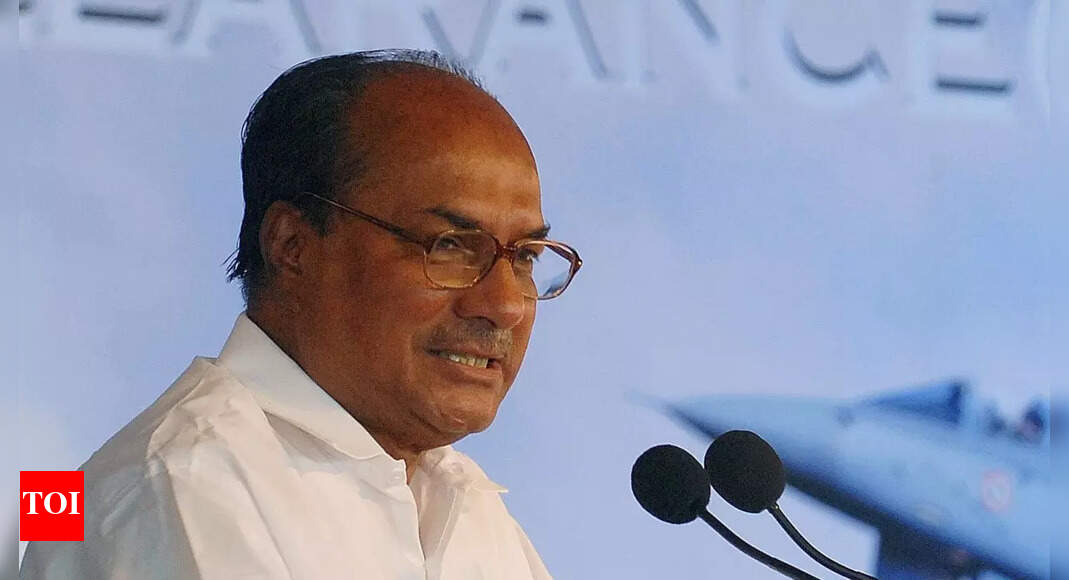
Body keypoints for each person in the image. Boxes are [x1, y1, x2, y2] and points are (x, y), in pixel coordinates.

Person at [21, 49, 582, 579]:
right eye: (451, 246)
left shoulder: (462, 498)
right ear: (293, 245)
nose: (505, 305)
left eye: (525, 257)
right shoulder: (180, 484)